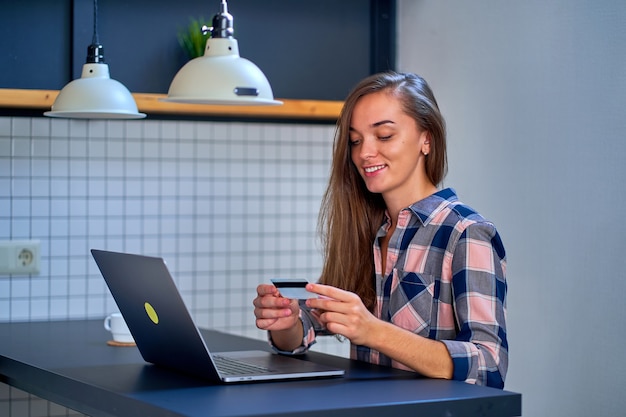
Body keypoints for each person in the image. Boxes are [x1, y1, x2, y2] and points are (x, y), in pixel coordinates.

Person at [253, 71, 508, 388]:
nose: (364, 153)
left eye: (384, 135)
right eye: (355, 141)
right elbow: (303, 329)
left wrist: (372, 330)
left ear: (426, 139)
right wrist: (285, 320)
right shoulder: (367, 230)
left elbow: (488, 366)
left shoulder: (465, 233)